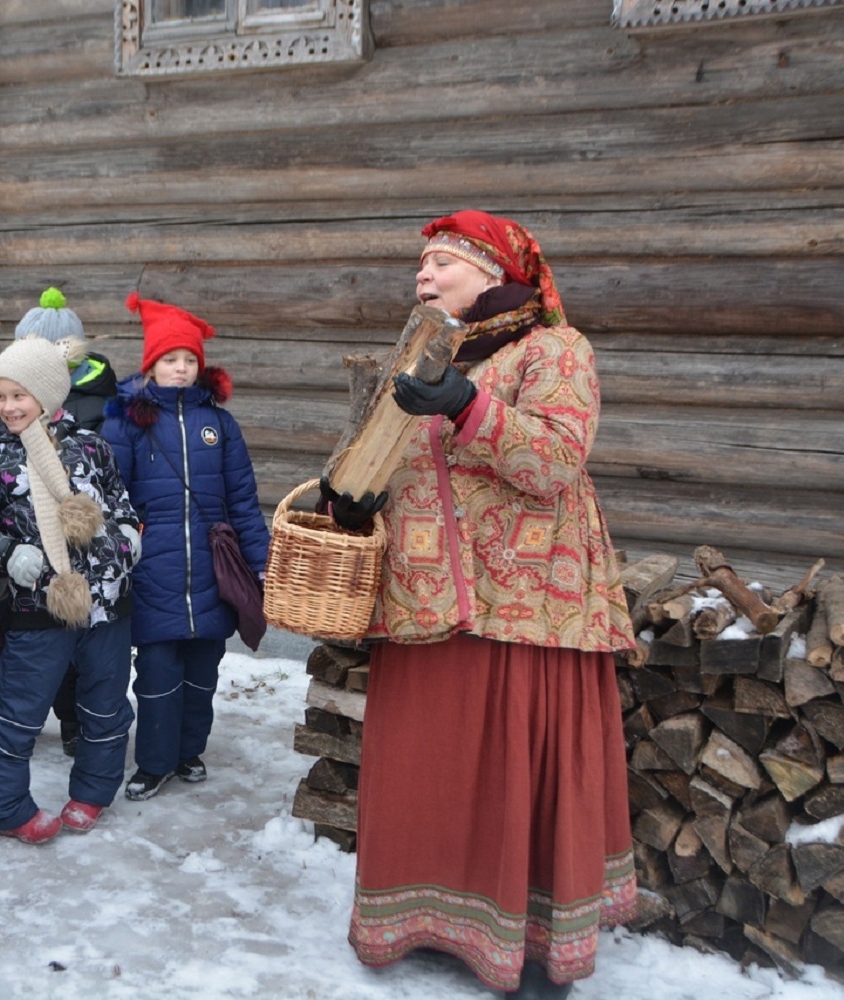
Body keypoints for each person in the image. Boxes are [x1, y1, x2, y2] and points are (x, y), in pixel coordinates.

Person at [319, 210, 636, 998]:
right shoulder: (420, 357)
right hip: (422, 597)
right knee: (430, 767)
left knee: (512, 770)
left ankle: (528, 942)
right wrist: (349, 502)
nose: (422, 275)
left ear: (493, 271)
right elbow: (385, 463)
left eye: (440, 262)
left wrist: (466, 404)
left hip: (529, 603)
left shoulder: (553, 348)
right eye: (419, 265)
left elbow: (557, 460)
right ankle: (432, 924)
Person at [0, 334, 140, 843]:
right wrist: (9, 554)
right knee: (17, 710)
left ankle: (93, 792)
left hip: (107, 606)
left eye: (18, 395)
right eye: (0, 395)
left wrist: (128, 539)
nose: (7, 406)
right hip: (37, 609)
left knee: (105, 706)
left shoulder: (91, 448)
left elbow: (120, 505)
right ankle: (5, 806)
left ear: (49, 396)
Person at [102, 293, 270, 801]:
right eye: (169, 360)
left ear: (201, 366)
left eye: (188, 360)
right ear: (151, 365)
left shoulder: (219, 425)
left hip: (214, 575)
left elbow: (243, 500)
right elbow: (112, 498)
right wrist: (128, 552)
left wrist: (261, 565)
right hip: (154, 572)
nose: (179, 369)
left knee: (202, 673)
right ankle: (154, 763)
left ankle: (189, 750)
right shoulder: (127, 424)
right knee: (156, 674)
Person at [13, 288, 121, 757]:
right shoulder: (18, 400)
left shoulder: (101, 401)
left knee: (87, 637)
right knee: (43, 634)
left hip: (88, 536)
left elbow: (115, 473)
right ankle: (54, 714)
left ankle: (81, 721)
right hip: (34, 534)